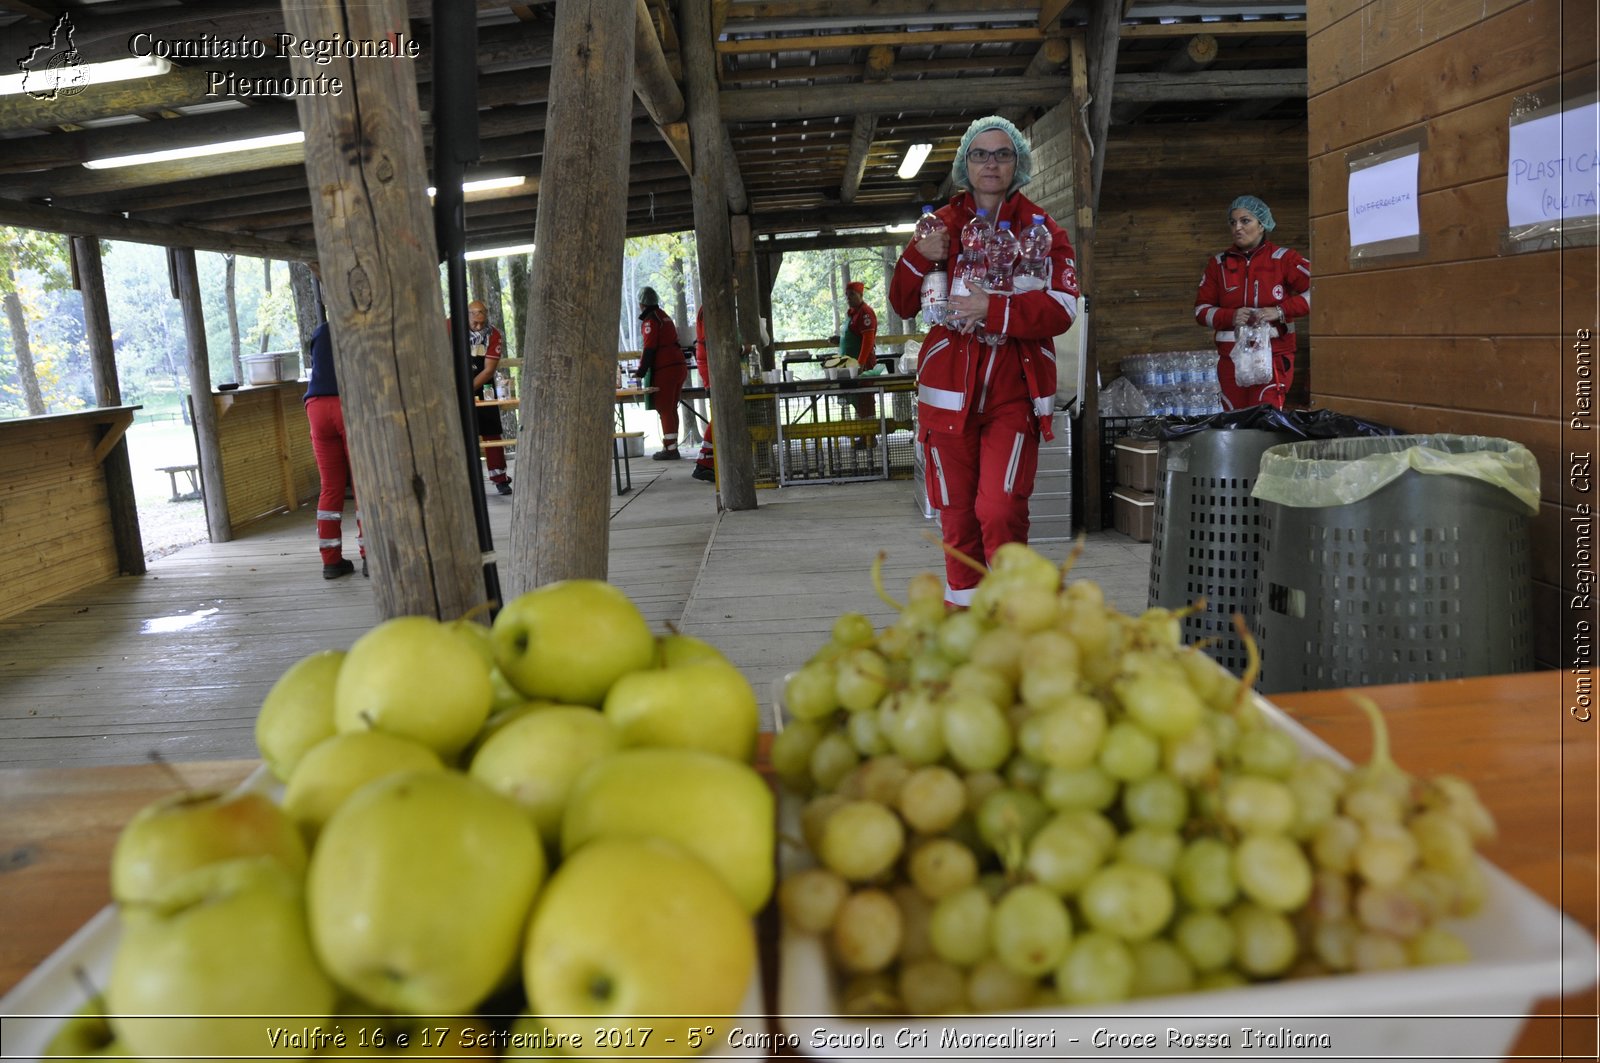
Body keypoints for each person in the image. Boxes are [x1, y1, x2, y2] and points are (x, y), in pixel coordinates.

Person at [889, 115, 1080, 608]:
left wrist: (993, 309)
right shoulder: (942, 226)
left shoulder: (1045, 230)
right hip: (946, 396)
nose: (990, 164)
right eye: (980, 154)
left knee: (998, 509)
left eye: (1001, 154)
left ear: (1018, 162)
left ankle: (1015, 618)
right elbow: (904, 303)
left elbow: (1062, 308)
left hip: (1014, 392)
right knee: (956, 516)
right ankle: (966, 627)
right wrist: (916, 254)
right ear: (964, 164)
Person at [1193, 194, 1311, 410]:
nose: (1237, 227)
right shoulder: (1217, 265)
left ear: (1262, 224)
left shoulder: (1284, 259)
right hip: (1231, 361)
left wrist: (1281, 310)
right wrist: (1230, 316)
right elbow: (1201, 310)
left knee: (1265, 419)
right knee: (1235, 422)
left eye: (1245, 221)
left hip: (1273, 358)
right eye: (1232, 222)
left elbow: (1321, 290)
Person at [303, 314, 366, 580]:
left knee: (330, 487)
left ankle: (331, 561)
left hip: (316, 405)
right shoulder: (361, 326)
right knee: (364, 485)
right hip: (347, 404)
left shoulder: (321, 330)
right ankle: (372, 557)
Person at [451, 299, 512, 495]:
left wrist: (466, 390)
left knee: (491, 430)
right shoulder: (449, 326)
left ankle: (499, 477)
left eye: (482, 322)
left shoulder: (493, 334)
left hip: (483, 385)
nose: (478, 326)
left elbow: (489, 370)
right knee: (456, 432)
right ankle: (460, 478)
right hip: (453, 383)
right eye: (474, 322)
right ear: (466, 315)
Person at [635, 287, 687, 460]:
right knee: (671, 408)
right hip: (678, 365)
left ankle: (670, 449)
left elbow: (649, 347)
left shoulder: (651, 320)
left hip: (666, 368)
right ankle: (673, 445)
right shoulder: (663, 315)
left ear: (642, 303)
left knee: (664, 408)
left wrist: (640, 372)